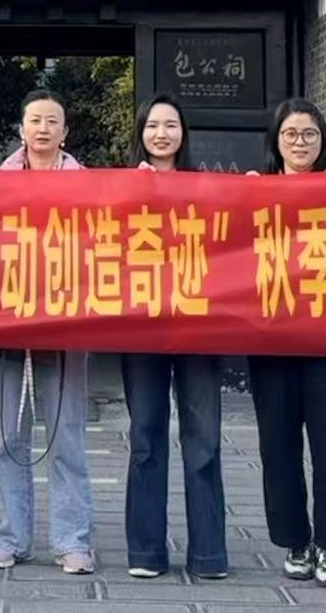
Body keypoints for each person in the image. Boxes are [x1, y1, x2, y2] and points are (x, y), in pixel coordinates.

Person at [246, 98, 326, 587]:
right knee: (279, 448)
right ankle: (295, 539)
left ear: (323, 141)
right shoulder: (253, 194)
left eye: (310, 134)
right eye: (290, 134)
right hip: (271, 343)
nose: (300, 142)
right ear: (276, 141)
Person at [0, 89, 97, 576]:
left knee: (66, 436)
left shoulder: (89, 186)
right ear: (22, 129)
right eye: (35, 120)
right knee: (9, 439)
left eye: (53, 120)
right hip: (7, 327)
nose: (43, 128)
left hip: (66, 329)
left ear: (65, 132)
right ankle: (12, 537)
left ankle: (73, 540)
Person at [119, 94, 228, 581]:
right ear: (140, 133)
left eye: (170, 125)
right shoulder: (120, 188)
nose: (161, 134)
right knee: (145, 437)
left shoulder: (207, 187)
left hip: (198, 326)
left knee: (203, 439)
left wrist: (255, 191)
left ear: (184, 134)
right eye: (152, 125)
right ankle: (145, 551)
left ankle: (209, 554)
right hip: (141, 327)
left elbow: (236, 233)